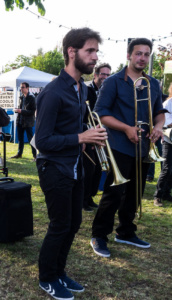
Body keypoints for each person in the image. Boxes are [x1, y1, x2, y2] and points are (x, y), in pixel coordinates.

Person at [35, 27, 107, 300]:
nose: (94, 57)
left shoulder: (81, 88)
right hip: (54, 168)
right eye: (89, 51)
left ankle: (59, 272)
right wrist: (81, 136)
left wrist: (88, 139)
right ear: (71, 52)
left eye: (96, 52)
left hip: (74, 165)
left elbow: (70, 130)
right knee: (59, 225)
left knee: (74, 222)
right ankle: (47, 278)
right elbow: (42, 140)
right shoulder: (53, 92)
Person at [90, 38, 166, 258]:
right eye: (138, 53)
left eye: (146, 54)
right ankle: (99, 235)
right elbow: (101, 113)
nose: (142, 58)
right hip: (119, 145)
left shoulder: (152, 83)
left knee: (135, 193)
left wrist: (159, 127)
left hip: (143, 147)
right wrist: (126, 128)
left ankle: (125, 231)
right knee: (113, 194)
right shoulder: (113, 82)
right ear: (129, 55)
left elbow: (159, 112)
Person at [83, 63, 112, 211]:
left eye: (108, 75)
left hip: (101, 134)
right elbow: (83, 114)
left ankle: (90, 197)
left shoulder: (107, 91)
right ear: (95, 75)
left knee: (100, 168)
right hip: (88, 133)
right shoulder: (87, 90)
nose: (105, 78)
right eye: (103, 74)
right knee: (89, 169)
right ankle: (83, 199)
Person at [153, 83, 172, 206]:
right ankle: (157, 196)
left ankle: (166, 193)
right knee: (166, 168)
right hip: (168, 139)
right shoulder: (168, 103)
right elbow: (164, 122)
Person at [11, 82, 37, 161]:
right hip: (20, 121)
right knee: (20, 139)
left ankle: (35, 156)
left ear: (27, 88)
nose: (21, 89)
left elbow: (32, 112)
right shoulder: (21, 97)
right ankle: (19, 154)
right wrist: (17, 110)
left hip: (28, 122)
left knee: (30, 139)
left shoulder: (32, 98)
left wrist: (21, 111)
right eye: (21, 87)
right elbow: (21, 109)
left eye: (23, 87)